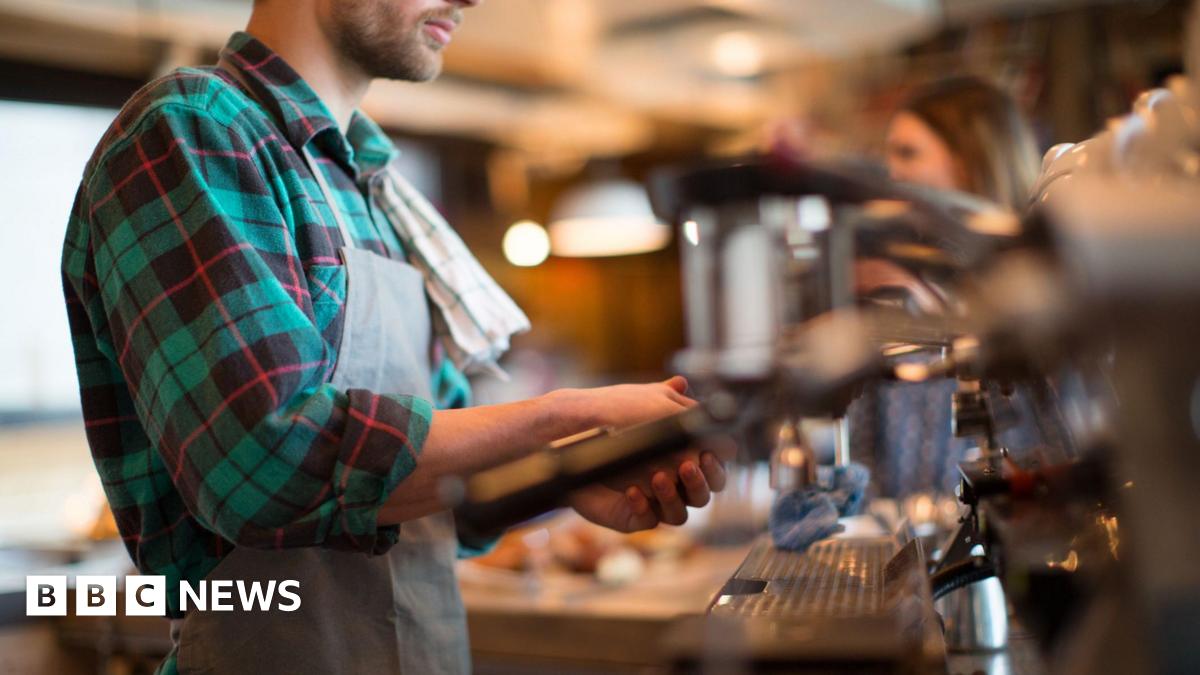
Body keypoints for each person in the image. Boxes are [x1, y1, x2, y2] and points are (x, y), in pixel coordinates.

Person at [60, 1, 726, 673]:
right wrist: (566, 415)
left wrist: (570, 472)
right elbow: (266, 465)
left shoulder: (376, 195)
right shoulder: (193, 129)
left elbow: (427, 504)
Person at [853, 76, 1041, 498]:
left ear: (970, 161)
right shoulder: (896, 279)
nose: (892, 173)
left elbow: (1042, 441)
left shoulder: (1037, 284)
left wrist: (927, 312)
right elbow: (866, 457)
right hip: (918, 542)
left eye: (907, 153)